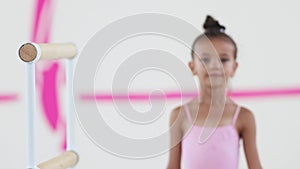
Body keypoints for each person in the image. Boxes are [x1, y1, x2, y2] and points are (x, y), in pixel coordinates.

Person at [166, 15, 263, 169]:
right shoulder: (180, 115)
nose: (214, 66)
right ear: (192, 66)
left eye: (223, 60)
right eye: (205, 59)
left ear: (234, 67)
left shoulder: (244, 117)